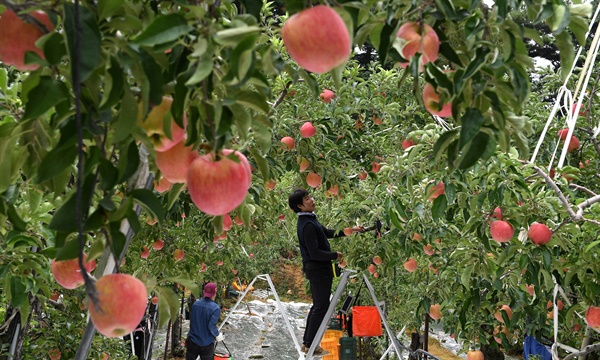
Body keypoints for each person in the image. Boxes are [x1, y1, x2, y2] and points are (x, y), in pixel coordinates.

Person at [288, 188, 363, 355]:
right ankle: (309, 345)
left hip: (319, 270)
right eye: (307, 199)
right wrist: (335, 255)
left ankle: (309, 344)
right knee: (320, 307)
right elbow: (314, 253)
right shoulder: (307, 225)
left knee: (320, 306)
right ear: (300, 206)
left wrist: (350, 230)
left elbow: (327, 233)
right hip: (318, 270)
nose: (312, 199)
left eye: (310, 196)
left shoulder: (310, 220)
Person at [186, 282, 224, 360]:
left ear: (204, 292)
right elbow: (211, 325)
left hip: (192, 340)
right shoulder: (215, 308)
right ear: (215, 293)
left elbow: (192, 321)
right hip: (206, 343)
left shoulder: (195, 304)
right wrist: (217, 335)